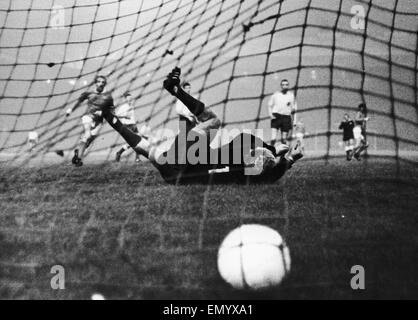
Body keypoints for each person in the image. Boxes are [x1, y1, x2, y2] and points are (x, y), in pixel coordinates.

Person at [102, 67, 303, 184]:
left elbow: (266, 163)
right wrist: (288, 157)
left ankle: (176, 91)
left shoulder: (245, 151)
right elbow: (271, 174)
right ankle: (114, 121)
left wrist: (276, 152)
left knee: (213, 122)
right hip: (174, 177)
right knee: (149, 151)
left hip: (186, 158)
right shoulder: (246, 173)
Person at [66, 75, 114, 167]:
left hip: (99, 121)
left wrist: (103, 112)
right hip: (88, 117)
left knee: (88, 140)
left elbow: (112, 110)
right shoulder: (89, 93)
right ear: (95, 83)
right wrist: (71, 110)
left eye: (102, 82)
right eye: (99, 82)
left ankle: (77, 151)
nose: (100, 84)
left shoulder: (108, 97)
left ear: (105, 84)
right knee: (87, 135)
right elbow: (78, 102)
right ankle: (79, 159)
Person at [268, 79, 297, 147]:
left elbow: (294, 109)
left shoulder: (291, 96)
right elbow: (269, 105)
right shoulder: (276, 95)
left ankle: (282, 156)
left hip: (286, 117)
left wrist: (294, 121)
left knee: (284, 139)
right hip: (276, 116)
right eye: (283, 85)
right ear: (281, 86)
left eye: (286, 85)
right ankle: (269, 153)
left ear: (288, 86)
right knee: (273, 138)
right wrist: (270, 115)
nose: (285, 86)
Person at [115, 92, 141, 163]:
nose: (130, 100)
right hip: (127, 126)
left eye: (131, 99)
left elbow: (132, 116)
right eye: (129, 99)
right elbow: (116, 115)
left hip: (133, 126)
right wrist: (124, 116)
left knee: (139, 141)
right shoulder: (123, 107)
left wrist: (135, 121)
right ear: (125, 99)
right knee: (134, 142)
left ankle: (136, 158)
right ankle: (119, 153)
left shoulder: (131, 106)